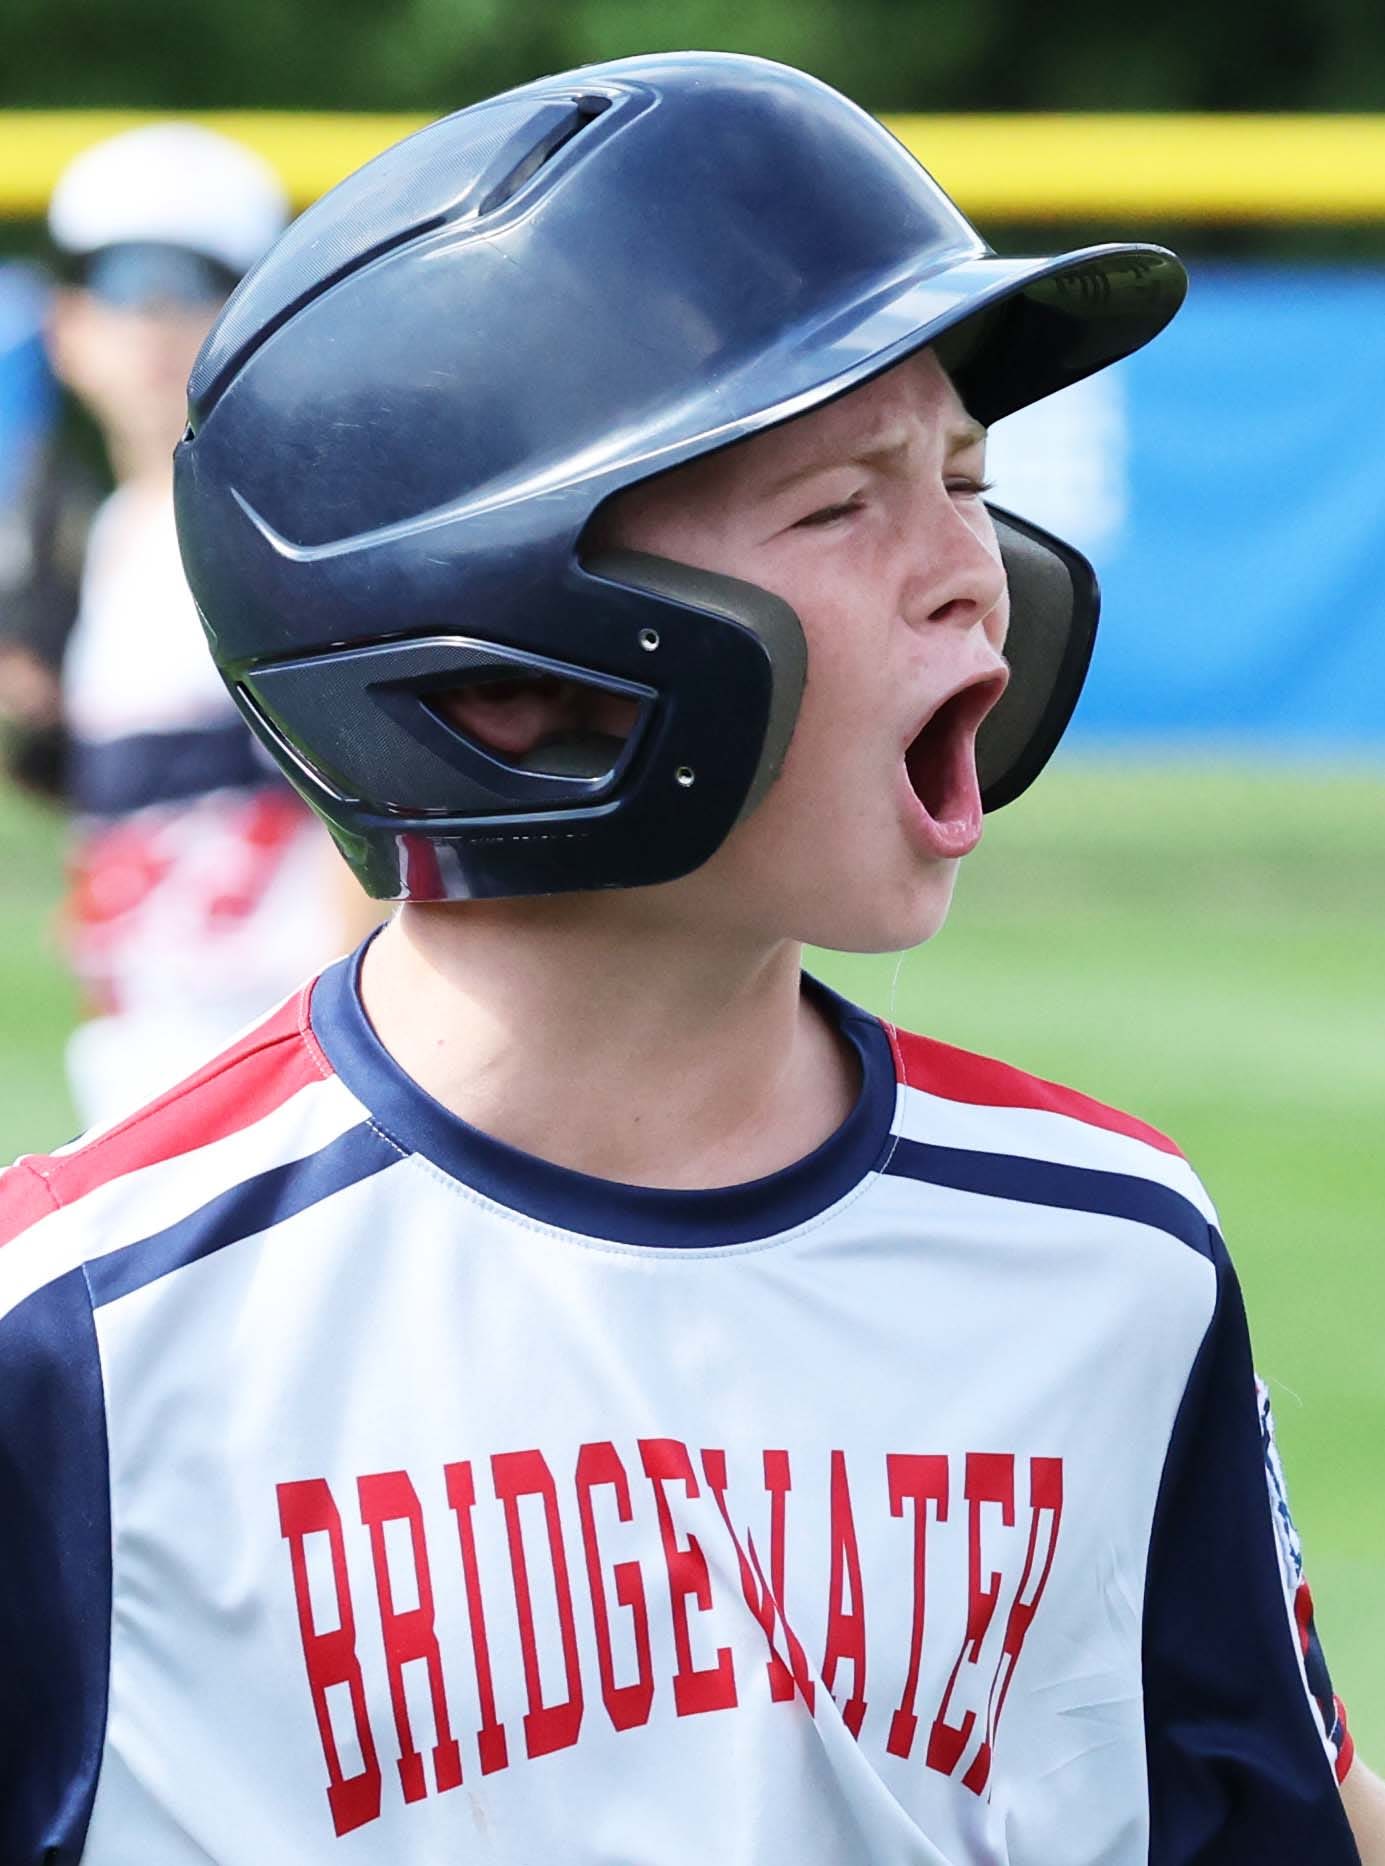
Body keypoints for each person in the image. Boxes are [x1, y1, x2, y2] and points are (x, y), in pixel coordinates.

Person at [0, 54, 1380, 1865]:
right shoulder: (81, 1335)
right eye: (843, 504)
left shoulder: (1112, 1253)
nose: (969, 567)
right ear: (504, 669)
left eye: (968, 478)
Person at [18, 124, 368, 1127]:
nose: (157, 319)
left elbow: (373, 815)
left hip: (286, 1078)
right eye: (120, 282)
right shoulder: (111, 541)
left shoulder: (301, 536)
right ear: (67, 323)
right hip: (145, 1060)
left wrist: (335, 1068)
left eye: (200, 283)